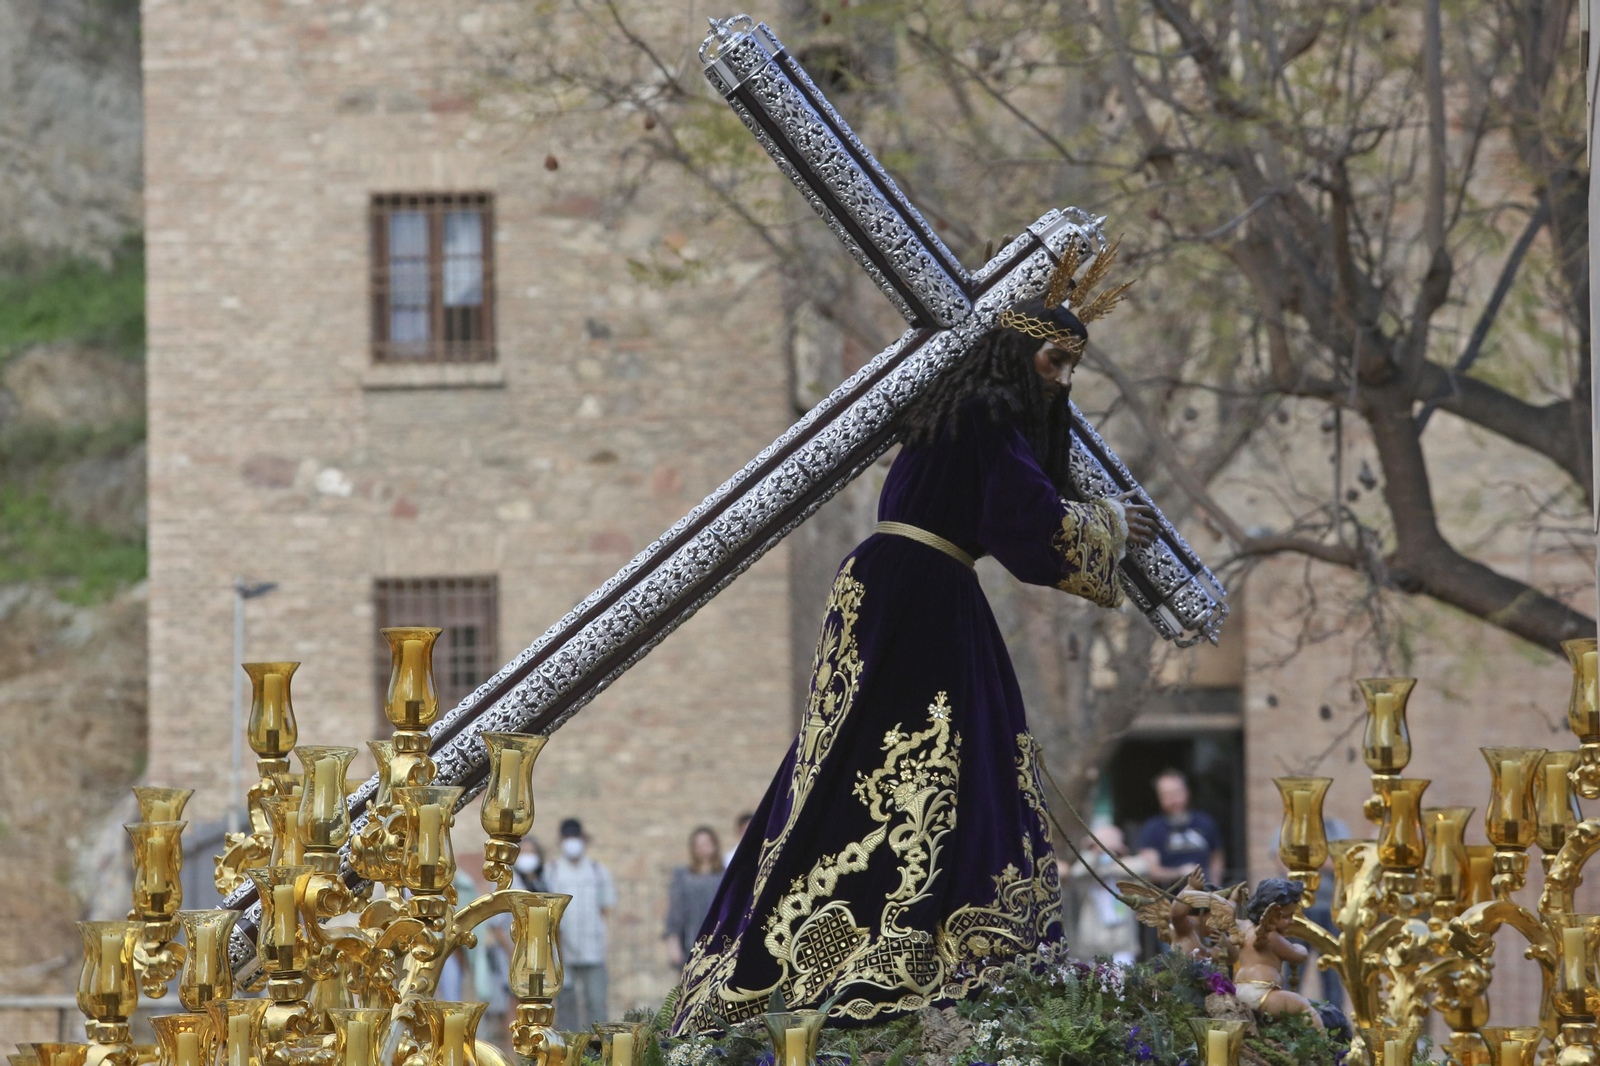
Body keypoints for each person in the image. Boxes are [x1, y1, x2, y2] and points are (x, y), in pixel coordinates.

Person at [671, 246, 1158, 1032]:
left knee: (848, 764)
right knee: (936, 765)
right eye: (1053, 358)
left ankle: (821, 940)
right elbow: (1025, 525)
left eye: (1073, 365)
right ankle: (898, 944)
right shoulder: (988, 418)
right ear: (1016, 350)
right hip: (923, 598)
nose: (1061, 380)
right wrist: (1112, 529)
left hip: (885, 588)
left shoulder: (954, 411)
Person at [546, 818, 617, 1033]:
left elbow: (606, 908)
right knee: (566, 1003)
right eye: (568, 838)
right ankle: (570, 1049)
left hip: (592, 948)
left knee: (596, 1001)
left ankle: (598, 1050)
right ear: (561, 841)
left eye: (575, 838)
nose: (572, 842)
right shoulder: (552, 871)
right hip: (563, 949)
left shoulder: (597, 871)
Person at [1232, 878, 1323, 1030]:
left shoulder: (1244, 928)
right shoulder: (1271, 937)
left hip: (1239, 991)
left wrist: (1232, 901)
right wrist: (1300, 947)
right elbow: (1298, 955)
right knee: (1304, 1008)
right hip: (1262, 995)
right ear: (1270, 913)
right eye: (1286, 916)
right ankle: (1321, 1047)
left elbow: (1229, 919)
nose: (1291, 921)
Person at [1062, 824, 1145, 965]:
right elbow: (1076, 873)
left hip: (1122, 942)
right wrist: (1094, 851)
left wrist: (1113, 857)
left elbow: (1142, 867)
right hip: (1093, 943)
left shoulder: (1126, 865)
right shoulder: (1089, 868)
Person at [1135, 769, 1224, 886]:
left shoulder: (1204, 822)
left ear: (1187, 792)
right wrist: (1180, 873)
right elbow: (1151, 870)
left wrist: (1215, 888)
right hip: (1169, 899)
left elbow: (1217, 857)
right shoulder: (1153, 827)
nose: (1173, 800)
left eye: (1176, 792)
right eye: (1166, 794)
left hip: (1204, 897)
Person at [664, 826, 726, 969]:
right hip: (691, 942)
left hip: (720, 943)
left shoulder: (724, 876)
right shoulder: (683, 876)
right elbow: (675, 911)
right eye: (698, 844)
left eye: (706, 843)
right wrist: (673, 942)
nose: (702, 848)